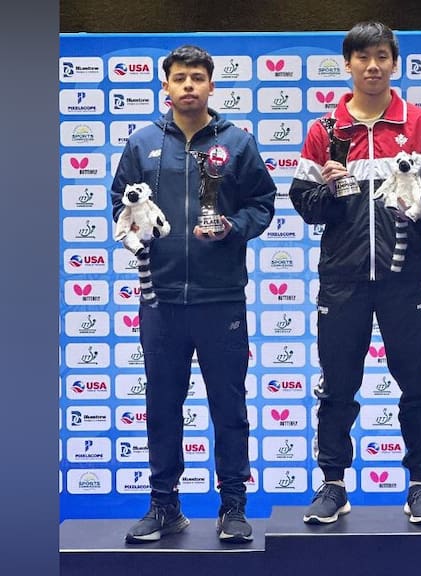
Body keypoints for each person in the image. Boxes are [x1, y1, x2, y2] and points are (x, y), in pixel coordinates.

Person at [289, 21, 421, 525]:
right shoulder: (325, 130)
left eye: (382, 55)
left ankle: (420, 485)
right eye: (362, 57)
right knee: (337, 386)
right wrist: (332, 192)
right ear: (347, 65)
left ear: (394, 61)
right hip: (342, 280)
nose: (372, 65)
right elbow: (303, 203)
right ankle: (334, 484)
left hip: (406, 281)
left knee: (417, 387)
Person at [111, 44, 276, 543]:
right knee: (162, 406)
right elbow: (121, 205)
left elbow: (263, 204)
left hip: (221, 298)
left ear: (211, 85)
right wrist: (134, 232)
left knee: (229, 408)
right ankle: (165, 506)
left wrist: (231, 227)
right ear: (165, 86)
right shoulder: (141, 144)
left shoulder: (238, 143)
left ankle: (233, 507)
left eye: (197, 78)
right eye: (179, 78)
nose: (188, 86)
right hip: (159, 299)